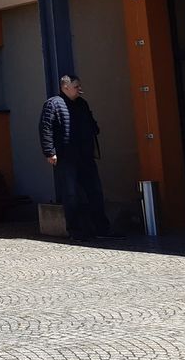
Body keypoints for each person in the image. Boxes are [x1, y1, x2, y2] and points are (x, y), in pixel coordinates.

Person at [38, 75, 123, 241]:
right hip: (66, 157)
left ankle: (101, 229)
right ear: (65, 88)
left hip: (85, 155)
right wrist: (50, 152)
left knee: (95, 192)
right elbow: (45, 128)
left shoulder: (82, 104)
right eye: (76, 86)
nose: (80, 89)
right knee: (70, 194)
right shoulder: (53, 104)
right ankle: (75, 231)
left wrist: (93, 129)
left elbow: (91, 122)